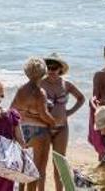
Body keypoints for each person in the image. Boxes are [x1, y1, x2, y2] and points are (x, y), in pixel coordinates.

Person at [10, 58, 56, 191]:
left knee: (22, 170)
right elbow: (44, 115)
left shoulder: (21, 90)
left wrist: (26, 114)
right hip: (39, 132)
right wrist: (54, 123)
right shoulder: (40, 92)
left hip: (22, 130)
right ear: (43, 73)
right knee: (36, 171)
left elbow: (12, 110)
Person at [41, 53, 85, 191]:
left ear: (60, 69)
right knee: (41, 164)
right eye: (49, 67)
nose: (51, 70)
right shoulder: (40, 83)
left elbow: (81, 98)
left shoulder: (66, 84)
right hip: (44, 128)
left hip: (62, 129)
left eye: (54, 67)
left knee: (59, 165)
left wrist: (69, 113)